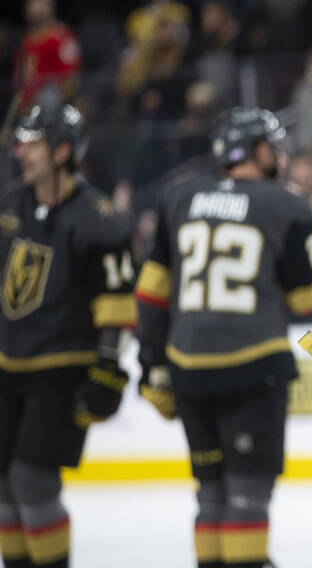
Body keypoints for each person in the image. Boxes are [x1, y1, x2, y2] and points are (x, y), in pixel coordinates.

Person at [133, 108, 312, 568]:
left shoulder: (177, 196)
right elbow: (308, 297)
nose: (281, 156)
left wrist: (153, 366)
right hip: (252, 366)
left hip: (187, 369)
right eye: (275, 147)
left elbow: (150, 293)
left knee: (209, 497)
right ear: (259, 152)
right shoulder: (285, 204)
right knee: (246, 499)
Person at [0, 104, 136, 568]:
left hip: (62, 369)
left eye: (33, 144)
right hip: (7, 367)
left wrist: (108, 366)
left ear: (61, 151)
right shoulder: (10, 204)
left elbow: (118, 305)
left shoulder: (100, 219)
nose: (21, 153)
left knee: (32, 481)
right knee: (3, 486)